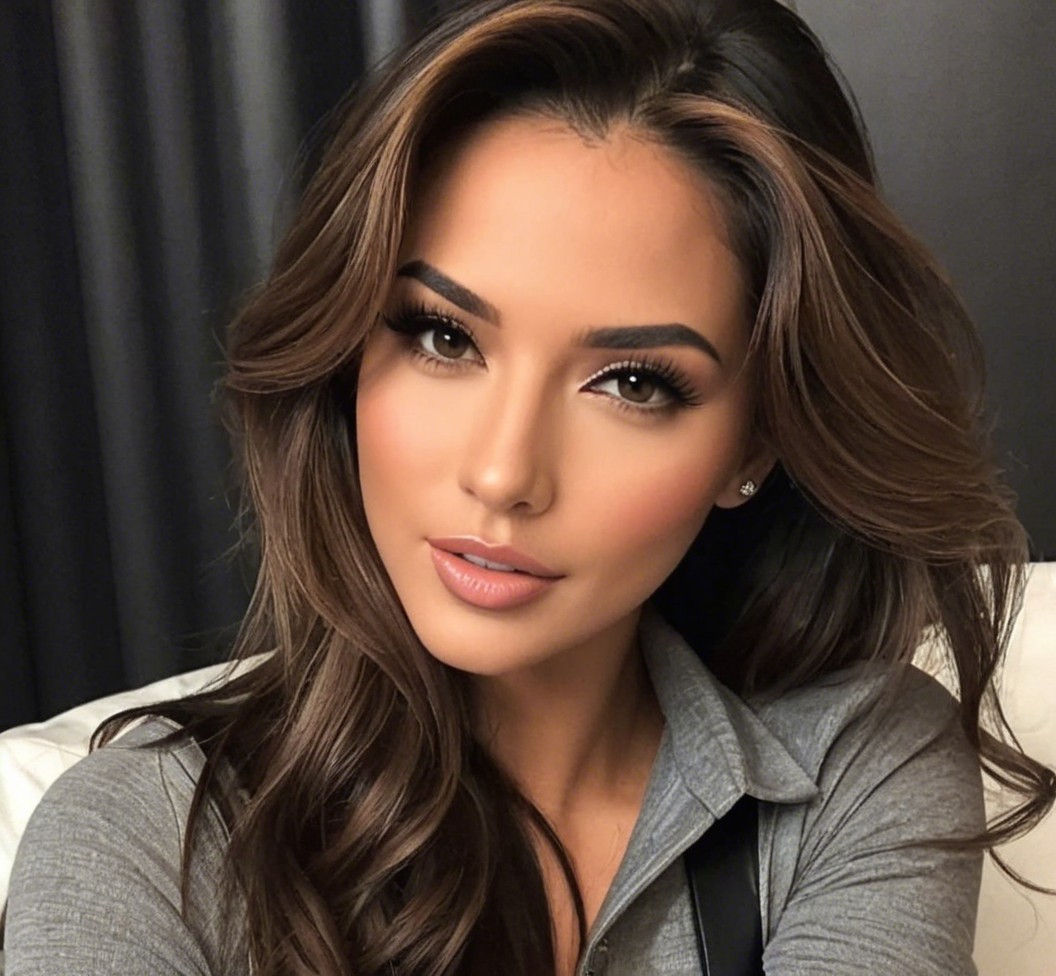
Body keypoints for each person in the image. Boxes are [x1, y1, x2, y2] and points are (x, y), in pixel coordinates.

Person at [4, 0, 1053, 973]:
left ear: (757, 443)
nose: (503, 473)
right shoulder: (142, 845)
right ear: (346, 350)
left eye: (635, 382)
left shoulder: (853, 776)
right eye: (442, 335)